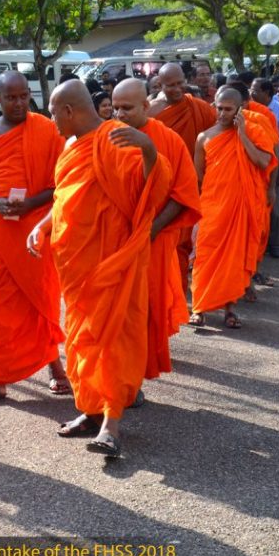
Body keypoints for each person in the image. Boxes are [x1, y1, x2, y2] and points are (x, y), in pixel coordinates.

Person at [27, 80, 172, 458]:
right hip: (76, 266)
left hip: (111, 264)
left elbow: (150, 190)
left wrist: (149, 150)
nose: (51, 121)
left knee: (112, 342)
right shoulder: (72, 148)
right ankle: (91, 411)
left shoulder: (116, 140)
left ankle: (111, 423)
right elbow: (64, 198)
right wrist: (42, 225)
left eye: (53, 114)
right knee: (82, 340)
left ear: (69, 111)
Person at [0, 70, 67, 405]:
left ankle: (55, 367)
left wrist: (31, 203)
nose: (19, 103)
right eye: (11, 98)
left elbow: (62, 182)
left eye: (23, 96)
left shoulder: (47, 130)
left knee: (41, 297)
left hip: (36, 224)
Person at [108, 79, 201, 387]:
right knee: (113, 311)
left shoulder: (168, 140)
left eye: (127, 108)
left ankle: (134, 377)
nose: (120, 114)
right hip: (113, 241)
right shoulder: (105, 137)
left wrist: (152, 229)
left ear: (146, 106)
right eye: (116, 107)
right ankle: (115, 377)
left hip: (153, 241)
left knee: (145, 308)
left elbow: (183, 193)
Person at [190, 86, 277, 328]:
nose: (222, 114)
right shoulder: (204, 137)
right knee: (205, 257)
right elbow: (198, 176)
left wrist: (243, 135)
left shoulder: (254, 132)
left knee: (234, 261)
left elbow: (263, 162)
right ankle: (198, 309)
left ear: (239, 110)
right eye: (219, 108)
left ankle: (230, 310)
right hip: (212, 206)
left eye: (228, 109)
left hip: (241, 207)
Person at [149, 62, 217, 292]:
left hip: (191, 183)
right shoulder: (152, 111)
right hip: (162, 186)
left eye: (181, 83)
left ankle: (177, 290)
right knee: (164, 241)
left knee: (184, 242)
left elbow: (217, 137)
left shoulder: (199, 108)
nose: (177, 89)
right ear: (160, 84)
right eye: (171, 85)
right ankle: (166, 290)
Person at [249, 78, 279, 259]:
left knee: (273, 207)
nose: (251, 93)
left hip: (274, 163)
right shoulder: (248, 109)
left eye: (255, 90)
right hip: (253, 163)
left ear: (267, 93)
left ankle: (275, 243)